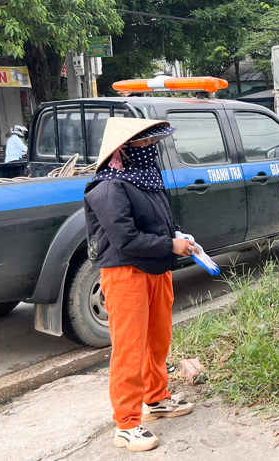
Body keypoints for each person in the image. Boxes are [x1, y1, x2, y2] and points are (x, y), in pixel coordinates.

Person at [84, 118, 196, 452]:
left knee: (157, 339)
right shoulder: (107, 187)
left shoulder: (146, 177)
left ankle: (157, 398)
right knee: (129, 348)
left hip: (156, 270)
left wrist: (178, 235)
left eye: (152, 145)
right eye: (144, 146)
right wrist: (168, 246)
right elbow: (124, 238)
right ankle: (127, 423)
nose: (151, 150)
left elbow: (163, 221)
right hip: (125, 273)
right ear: (124, 150)